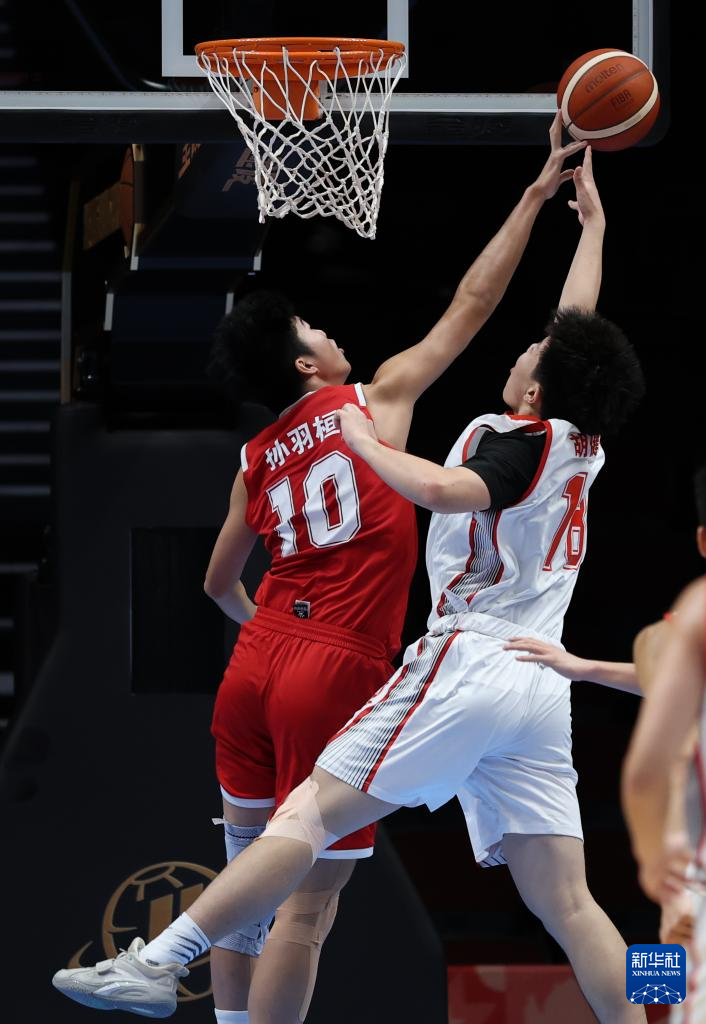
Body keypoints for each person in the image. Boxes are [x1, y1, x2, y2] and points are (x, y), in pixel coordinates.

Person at [52, 116, 592, 1024]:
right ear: (307, 363)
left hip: (267, 659)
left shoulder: (254, 458)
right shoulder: (391, 405)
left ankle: (194, 990)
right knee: (310, 909)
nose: (329, 328)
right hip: (392, 665)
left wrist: (273, 627)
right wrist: (540, 200)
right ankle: (161, 964)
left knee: (250, 870)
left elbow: (217, 583)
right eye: (313, 327)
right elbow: (483, 305)